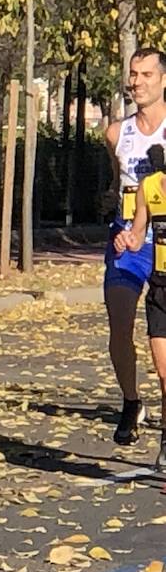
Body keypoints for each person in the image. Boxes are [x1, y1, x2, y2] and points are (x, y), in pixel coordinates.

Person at [103, 47, 166, 445]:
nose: (137, 82)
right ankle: (131, 400)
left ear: (163, 80)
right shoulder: (115, 132)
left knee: (161, 341)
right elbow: (120, 182)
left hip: (163, 241)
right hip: (128, 240)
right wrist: (122, 220)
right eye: (132, 74)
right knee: (119, 321)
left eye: (145, 74)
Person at [117, 144, 166, 469]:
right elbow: (137, 233)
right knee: (165, 376)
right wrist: (127, 241)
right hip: (161, 289)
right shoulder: (149, 186)